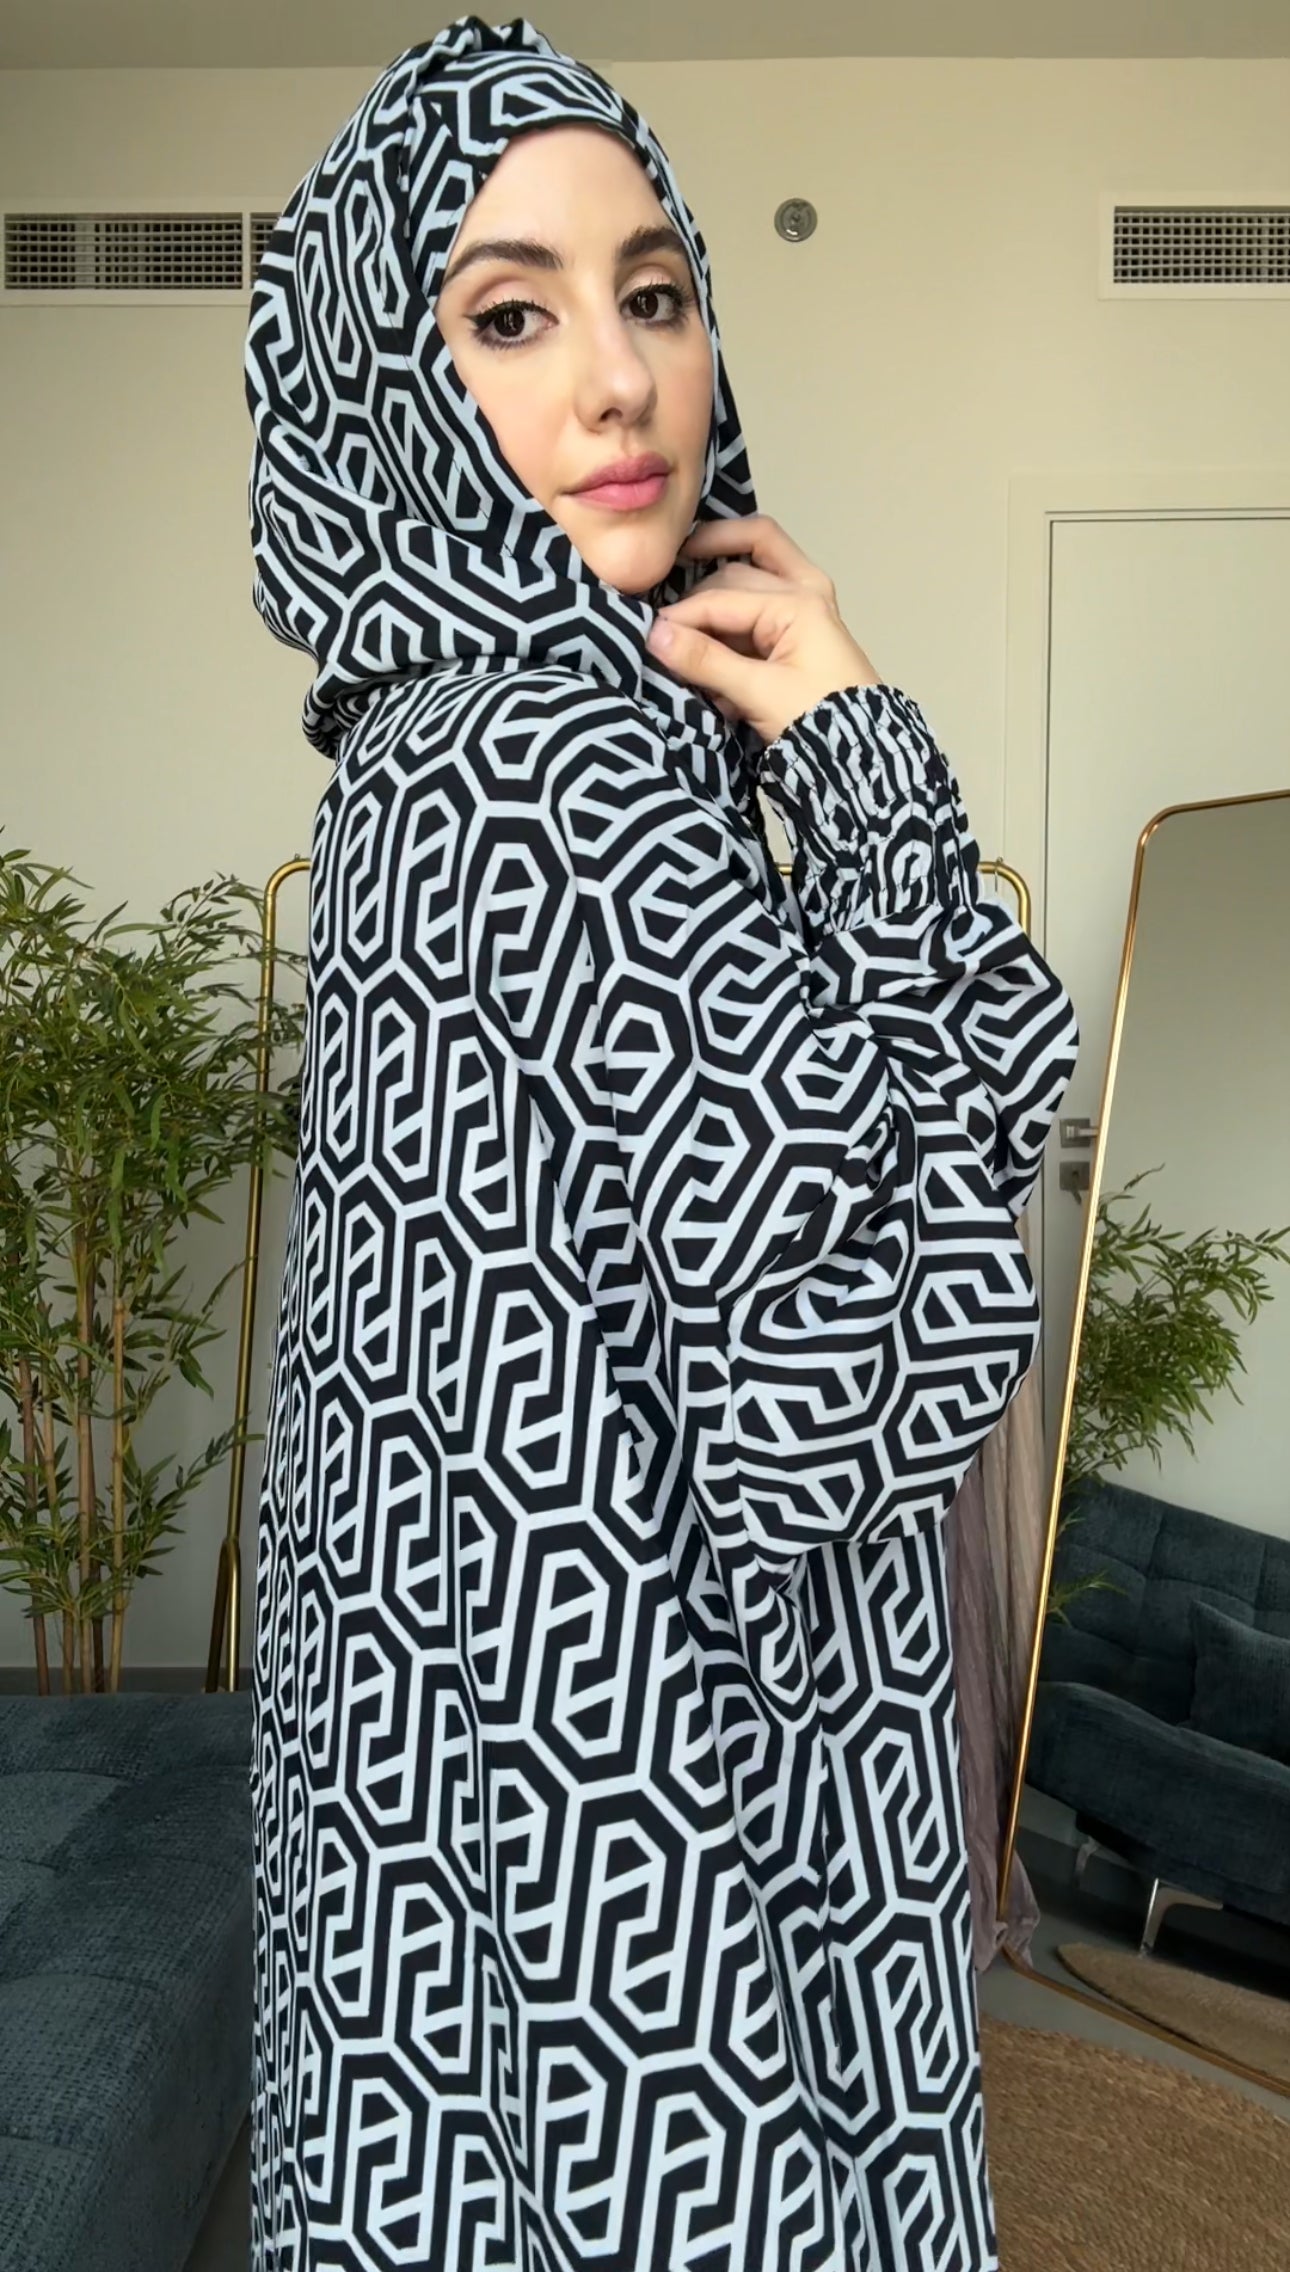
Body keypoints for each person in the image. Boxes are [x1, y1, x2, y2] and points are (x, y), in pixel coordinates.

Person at [243, 17, 1078, 2270]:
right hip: (662, 1856)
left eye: (655, 291)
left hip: (465, 1831)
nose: (619, 382)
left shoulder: (412, 755)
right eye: (508, 316)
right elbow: (835, 1389)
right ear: (388, 385)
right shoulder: (567, 766)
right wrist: (869, 749)